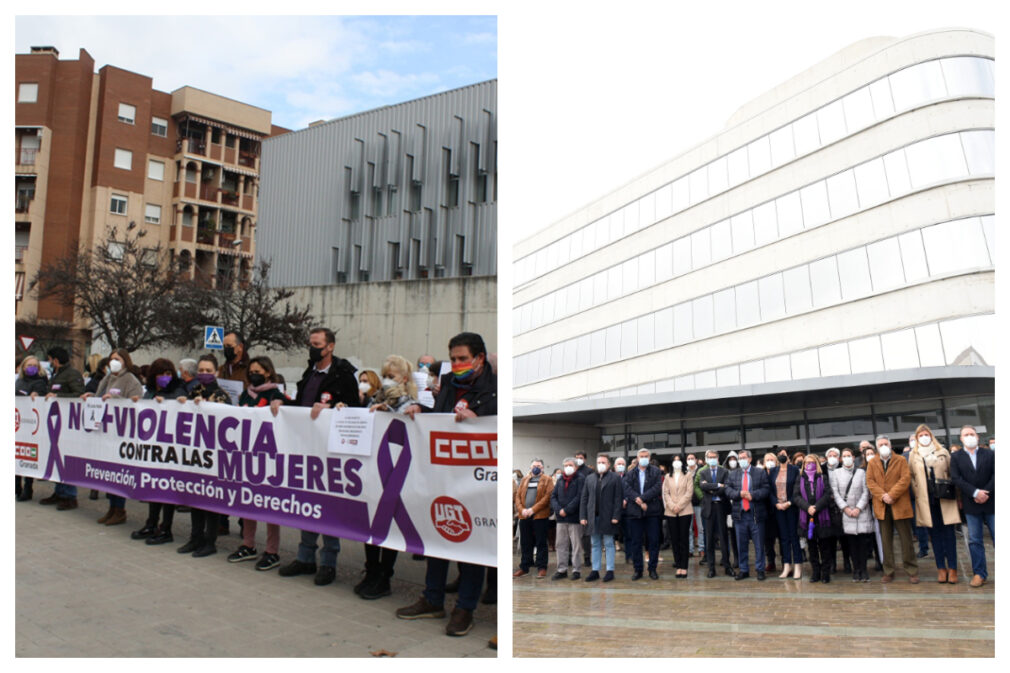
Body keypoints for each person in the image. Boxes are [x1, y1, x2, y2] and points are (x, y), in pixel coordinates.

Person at [396, 332, 496, 637]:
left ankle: (465, 608)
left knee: (473, 543)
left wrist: (478, 420)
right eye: (452, 359)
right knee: (437, 533)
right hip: (443, 474)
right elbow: (440, 417)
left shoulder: (494, 390)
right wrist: (421, 412)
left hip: (475, 480)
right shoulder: (450, 384)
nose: (456, 364)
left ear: (479, 358)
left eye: (463, 358)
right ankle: (432, 598)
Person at [272, 327, 360, 584]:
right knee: (307, 502)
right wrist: (281, 403)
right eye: (310, 343)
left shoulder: (344, 375)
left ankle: (329, 562)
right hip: (307, 447)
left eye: (317, 344)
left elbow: (354, 409)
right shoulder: (309, 372)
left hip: (329, 450)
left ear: (330, 346)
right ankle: (305, 557)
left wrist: (331, 409)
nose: (313, 348)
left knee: (328, 504)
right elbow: (302, 405)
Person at [353, 355, 420, 599]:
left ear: (403, 378)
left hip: (394, 466)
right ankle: (371, 571)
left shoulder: (408, 402)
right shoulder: (376, 398)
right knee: (370, 521)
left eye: (391, 377)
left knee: (389, 523)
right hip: (374, 466)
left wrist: (387, 411)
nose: (387, 381)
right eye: (385, 376)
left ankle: (384, 576)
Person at [229, 356, 287, 570]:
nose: (254, 374)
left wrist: (281, 404)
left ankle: (272, 551)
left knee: (270, 506)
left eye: (258, 371)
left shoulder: (275, 393)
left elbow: (289, 409)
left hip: (269, 457)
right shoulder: (246, 393)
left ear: (268, 373)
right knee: (248, 502)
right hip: (247, 455)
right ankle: (248, 544)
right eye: (251, 370)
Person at [174, 354, 231, 557]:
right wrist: (182, 403)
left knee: (210, 501)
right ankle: (195, 537)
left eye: (208, 371)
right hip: (195, 453)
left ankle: (210, 540)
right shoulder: (194, 391)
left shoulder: (222, 395)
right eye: (202, 371)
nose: (204, 374)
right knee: (195, 497)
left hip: (213, 454)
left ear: (216, 372)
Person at [130, 358, 187, 544]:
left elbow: (178, 404)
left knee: (167, 488)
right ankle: (151, 523)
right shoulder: (151, 391)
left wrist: (166, 402)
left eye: (168, 374)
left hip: (171, 447)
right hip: (154, 447)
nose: (165, 378)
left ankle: (166, 528)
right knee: (155, 486)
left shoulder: (177, 388)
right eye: (161, 374)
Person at [84, 348, 143, 525]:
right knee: (108, 472)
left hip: (121, 433)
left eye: (117, 359)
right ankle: (112, 508)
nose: (113, 362)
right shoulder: (108, 378)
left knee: (119, 472)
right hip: (106, 431)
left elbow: (137, 401)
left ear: (125, 361)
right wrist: (91, 397)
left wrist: (116, 400)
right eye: (111, 359)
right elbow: (100, 396)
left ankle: (120, 509)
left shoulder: (130, 380)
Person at [907, 424, 961, 584]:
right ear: (917, 438)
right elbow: (911, 476)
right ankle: (941, 568)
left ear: (931, 435)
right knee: (935, 536)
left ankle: (953, 568)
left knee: (949, 534)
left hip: (944, 497)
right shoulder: (913, 455)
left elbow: (953, 473)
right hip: (927, 499)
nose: (924, 437)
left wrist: (957, 497)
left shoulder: (942, 452)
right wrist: (917, 490)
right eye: (921, 435)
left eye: (926, 434)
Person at [36, 347, 86, 509]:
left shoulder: (72, 374)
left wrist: (58, 397)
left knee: (66, 458)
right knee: (56, 457)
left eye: (50, 359)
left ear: (55, 360)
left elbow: (79, 395)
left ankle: (70, 496)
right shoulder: (58, 374)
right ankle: (59, 492)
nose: (49, 363)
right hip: (55, 423)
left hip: (67, 424)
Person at [865, 435, 919, 583]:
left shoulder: (901, 460)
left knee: (906, 540)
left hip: (899, 503)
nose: (883, 446)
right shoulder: (872, 462)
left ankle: (912, 570)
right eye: (880, 444)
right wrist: (883, 496)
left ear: (890, 445)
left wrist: (892, 494)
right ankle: (888, 570)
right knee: (885, 541)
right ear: (876, 447)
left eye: (885, 444)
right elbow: (870, 481)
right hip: (882, 506)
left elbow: (905, 479)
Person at [950, 425, 994, 588]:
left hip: (992, 502)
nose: (969, 436)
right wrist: (975, 493)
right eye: (966, 434)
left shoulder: (989, 453)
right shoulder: (956, 457)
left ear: (977, 436)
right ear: (961, 439)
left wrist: (985, 492)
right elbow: (956, 478)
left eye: (972, 434)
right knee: (975, 540)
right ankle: (979, 574)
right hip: (971, 503)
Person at [793, 455, 839, 583]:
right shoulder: (800, 478)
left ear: (817, 463)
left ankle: (825, 573)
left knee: (825, 547)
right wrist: (807, 507)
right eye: (807, 462)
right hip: (806, 518)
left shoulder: (823, 477)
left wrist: (816, 507)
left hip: (822, 517)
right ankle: (816, 572)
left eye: (812, 462)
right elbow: (796, 496)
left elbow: (828, 494)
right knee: (812, 548)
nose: (809, 464)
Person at [830, 448, 874, 582]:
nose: (847, 458)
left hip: (862, 513)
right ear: (841, 459)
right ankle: (856, 570)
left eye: (849, 455)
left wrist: (859, 508)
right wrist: (846, 508)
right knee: (852, 545)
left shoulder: (861, 472)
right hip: (847, 514)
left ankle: (864, 570)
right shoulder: (836, 473)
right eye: (844, 456)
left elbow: (867, 492)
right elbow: (835, 493)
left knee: (862, 544)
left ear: (853, 457)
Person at [725, 450, 769, 580]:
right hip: (740, 515)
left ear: (750, 459)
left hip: (756, 514)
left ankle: (760, 569)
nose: (741, 460)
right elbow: (727, 490)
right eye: (740, 458)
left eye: (743, 458)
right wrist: (738, 494)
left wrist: (753, 495)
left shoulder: (760, 472)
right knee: (741, 543)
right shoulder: (733, 474)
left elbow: (766, 489)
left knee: (759, 544)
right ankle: (744, 569)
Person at [580, 454, 623, 582]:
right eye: (599, 462)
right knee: (595, 544)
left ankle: (610, 570)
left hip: (609, 517)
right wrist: (583, 515)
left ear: (609, 464)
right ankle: (595, 570)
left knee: (609, 543)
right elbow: (584, 498)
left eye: (603, 462)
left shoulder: (615, 478)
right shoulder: (590, 478)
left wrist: (616, 515)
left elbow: (618, 498)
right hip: (593, 517)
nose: (600, 464)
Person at [623, 448, 664, 580]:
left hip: (652, 511)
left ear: (649, 457)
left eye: (646, 456)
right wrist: (639, 500)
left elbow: (657, 487)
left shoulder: (656, 471)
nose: (644, 458)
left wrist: (644, 498)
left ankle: (652, 569)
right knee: (636, 542)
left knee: (653, 541)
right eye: (641, 456)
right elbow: (627, 488)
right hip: (635, 512)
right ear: (637, 457)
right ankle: (638, 570)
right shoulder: (630, 473)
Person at [15, 355, 48, 501]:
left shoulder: (41, 382)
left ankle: (28, 487)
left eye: (34, 365)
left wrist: (36, 395)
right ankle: (16, 485)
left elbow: (41, 396)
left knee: (29, 455)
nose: (31, 368)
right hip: (18, 422)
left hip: (32, 423)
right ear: (23, 367)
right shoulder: (19, 381)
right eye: (29, 365)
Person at [513, 458, 552, 579]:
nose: (536, 467)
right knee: (526, 542)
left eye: (539, 466)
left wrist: (533, 509)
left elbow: (547, 497)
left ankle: (541, 567)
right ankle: (525, 567)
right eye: (534, 466)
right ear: (530, 468)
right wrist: (522, 510)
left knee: (541, 542)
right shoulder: (525, 479)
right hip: (524, 516)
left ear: (543, 468)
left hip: (540, 516)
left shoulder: (547, 480)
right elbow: (518, 497)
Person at [697, 449, 733, 577]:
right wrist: (718, 485)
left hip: (721, 507)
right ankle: (711, 568)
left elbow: (726, 488)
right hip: (708, 508)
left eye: (714, 457)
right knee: (709, 539)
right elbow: (702, 486)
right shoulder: (703, 472)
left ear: (718, 459)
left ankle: (727, 566)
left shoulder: (724, 471)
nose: (712, 459)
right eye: (710, 457)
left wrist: (712, 489)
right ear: (706, 459)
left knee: (724, 538)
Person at [769, 447, 801, 579]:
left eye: (783, 454)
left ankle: (798, 565)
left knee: (794, 537)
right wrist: (776, 503)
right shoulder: (773, 471)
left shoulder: (794, 470)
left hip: (791, 507)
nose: (781, 456)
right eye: (779, 454)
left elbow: (798, 489)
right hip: (779, 508)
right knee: (784, 538)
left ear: (788, 456)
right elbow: (770, 490)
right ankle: (787, 565)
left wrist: (789, 502)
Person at [550, 457, 584, 580]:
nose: (567, 467)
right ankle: (562, 569)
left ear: (575, 466)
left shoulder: (580, 479)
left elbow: (579, 497)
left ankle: (576, 570)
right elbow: (553, 496)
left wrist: (567, 510)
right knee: (560, 545)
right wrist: (559, 509)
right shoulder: (560, 480)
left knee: (576, 545)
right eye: (565, 465)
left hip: (574, 518)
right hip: (561, 519)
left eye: (570, 465)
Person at [662, 453, 694, 578]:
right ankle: (678, 564)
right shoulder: (667, 476)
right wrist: (672, 506)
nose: (676, 462)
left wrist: (678, 506)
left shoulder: (688, 475)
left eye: (679, 460)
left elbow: (689, 492)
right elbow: (666, 493)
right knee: (674, 539)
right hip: (670, 512)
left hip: (685, 510)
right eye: (674, 460)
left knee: (683, 539)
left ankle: (684, 566)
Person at [902, 433, 932, 559]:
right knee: (918, 524)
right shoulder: (904, 457)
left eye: (915, 439)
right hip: (913, 497)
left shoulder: (928, 454)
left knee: (932, 522)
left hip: (928, 495)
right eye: (911, 440)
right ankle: (923, 548)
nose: (913, 441)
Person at [760, 452, 780, 574]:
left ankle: (785, 562)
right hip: (765, 511)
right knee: (768, 540)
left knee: (782, 537)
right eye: (767, 459)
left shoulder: (779, 472)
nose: (770, 462)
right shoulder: (761, 474)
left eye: (772, 459)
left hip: (779, 509)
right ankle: (771, 562)